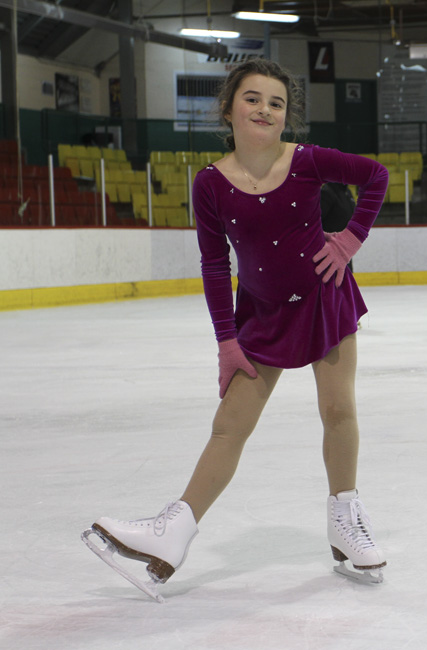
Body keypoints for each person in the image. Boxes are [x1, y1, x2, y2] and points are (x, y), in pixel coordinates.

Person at [82, 59, 390, 601]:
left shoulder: (307, 161)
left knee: (339, 410)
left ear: (286, 116)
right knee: (229, 427)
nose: (264, 109)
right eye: (252, 98)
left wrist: (348, 240)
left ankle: (346, 521)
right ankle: (172, 533)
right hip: (262, 314)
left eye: (276, 102)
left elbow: (376, 177)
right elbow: (213, 265)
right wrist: (226, 340)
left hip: (324, 299)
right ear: (228, 109)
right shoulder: (210, 184)